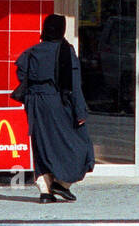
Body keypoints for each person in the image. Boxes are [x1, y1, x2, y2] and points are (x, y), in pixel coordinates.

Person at [16, 14, 95, 203]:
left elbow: (21, 74)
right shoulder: (66, 52)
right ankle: (62, 184)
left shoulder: (32, 51)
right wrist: (80, 111)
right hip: (58, 102)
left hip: (34, 103)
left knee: (42, 145)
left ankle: (45, 191)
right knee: (82, 145)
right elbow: (74, 85)